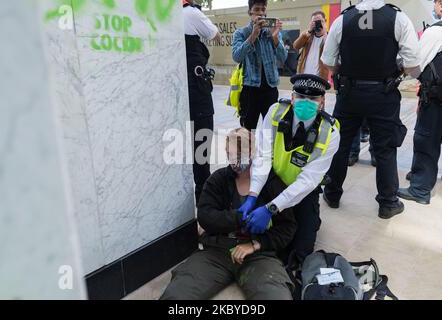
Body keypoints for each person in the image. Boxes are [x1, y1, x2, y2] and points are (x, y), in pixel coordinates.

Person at [160, 128, 296, 300]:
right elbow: (205, 215)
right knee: (177, 295)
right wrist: (238, 218)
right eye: (231, 155)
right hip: (218, 251)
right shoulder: (219, 179)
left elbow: (288, 227)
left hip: (258, 257)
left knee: (276, 296)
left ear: (254, 152)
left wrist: (256, 244)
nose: (236, 162)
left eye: (241, 155)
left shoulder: (272, 183)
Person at [321, 0, 421, 219]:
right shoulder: (398, 18)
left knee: (341, 145)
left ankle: (332, 193)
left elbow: (328, 61)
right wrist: (396, 71)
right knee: (385, 149)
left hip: (349, 94)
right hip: (383, 94)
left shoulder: (342, 20)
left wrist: (346, 70)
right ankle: (388, 203)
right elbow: (413, 65)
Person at [238, 74, 340, 266]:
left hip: (303, 191)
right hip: (273, 181)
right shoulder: (275, 112)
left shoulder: (330, 132)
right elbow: (263, 156)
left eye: (313, 98)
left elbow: (308, 181)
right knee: (250, 230)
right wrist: (253, 195)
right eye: (301, 97)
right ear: (292, 98)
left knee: (300, 252)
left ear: (322, 102)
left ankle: (309, 219)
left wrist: (271, 208)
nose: (306, 102)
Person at [398, 0, 442, 205]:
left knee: (426, 141)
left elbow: (414, 64)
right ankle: (422, 175)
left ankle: (420, 188)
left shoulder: (435, 32)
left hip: (435, 101)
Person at [183, 0, 221, 204]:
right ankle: (204, 201)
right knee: (201, 146)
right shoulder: (190, 12)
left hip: (174, 90)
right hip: (196, 92)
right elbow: (215, 34)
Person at [232, 0, 288, 131]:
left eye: (263, 9)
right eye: (257, 9)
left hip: (270, 89)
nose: (261, 13)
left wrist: (275, 38)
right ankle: (248, 151)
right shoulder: (241, 33)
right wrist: (253, 36)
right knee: (247, 131)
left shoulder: (272, 33)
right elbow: (236, 56)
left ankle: (266, 152)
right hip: (250, 90)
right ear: (250, 12)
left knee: (271, 130)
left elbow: (283, 57)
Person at [293, 10, 329, 79]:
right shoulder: (307, 35)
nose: (317, 24)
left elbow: (329, 50)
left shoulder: (328, 37)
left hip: (319, 78)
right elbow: (296, 46)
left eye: (320, 21)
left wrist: (325, 32)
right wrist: (309, 32)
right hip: (303, 76)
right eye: (314, 22)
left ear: (325, 21)